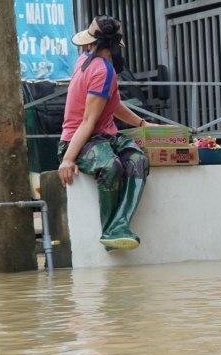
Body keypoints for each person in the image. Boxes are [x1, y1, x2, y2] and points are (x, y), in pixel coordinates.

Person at [57, 15, 163, 250]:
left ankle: (119, 226)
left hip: (106, 137)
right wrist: (67, 159)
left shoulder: (86, 60)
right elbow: (87, 122)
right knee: (110, 166)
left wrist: (142, 125)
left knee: (138, 160)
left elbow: (111, 103)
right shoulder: (101, 70)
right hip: (78, 140)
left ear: (91, 44)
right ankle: (111, 233)